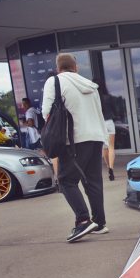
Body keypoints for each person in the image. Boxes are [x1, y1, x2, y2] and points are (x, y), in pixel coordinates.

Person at [41, 53, 110, 242]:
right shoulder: (90, 85)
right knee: (93, 181)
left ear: (58, 69)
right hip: (95, 136)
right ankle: (100, 223)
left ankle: (83, 220)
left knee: (65, 180)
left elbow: (46, 111)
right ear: (76, 67)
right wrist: (104, 139)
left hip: (74, 139)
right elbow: (98, 112)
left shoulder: (54, 81)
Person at [93, 78, 118, 181]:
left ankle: (108, 167)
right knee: (111, 147)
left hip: (100, 124)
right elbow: (115, 110)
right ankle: (111, 168)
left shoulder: (94, 98)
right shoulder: (109, 97)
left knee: (104, 147)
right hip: (109, 122)